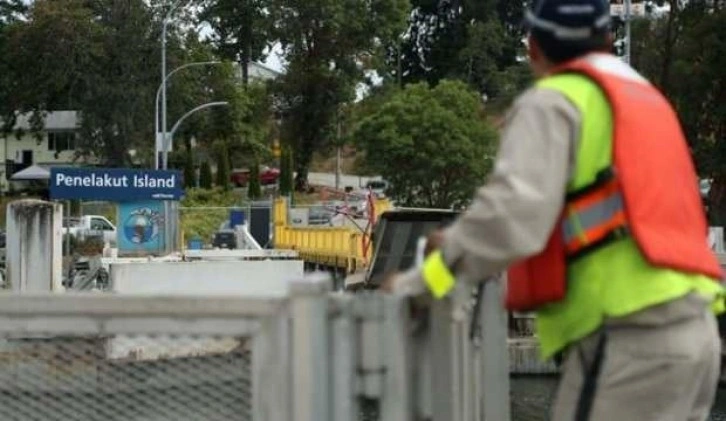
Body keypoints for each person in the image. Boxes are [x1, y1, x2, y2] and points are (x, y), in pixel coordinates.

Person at [382, 0, 725, 419]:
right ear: (608, 38)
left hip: (629, 340)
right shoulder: (646, 101)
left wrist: (421, 282)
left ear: (533, 48)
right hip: (697, 334)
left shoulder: (555, 101)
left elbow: (512, 216)